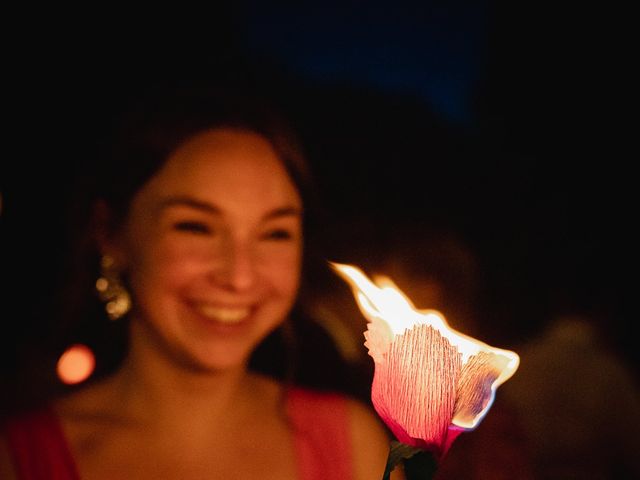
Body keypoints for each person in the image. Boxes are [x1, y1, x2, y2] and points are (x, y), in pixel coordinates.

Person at [0, 85, 396, 479]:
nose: (240, 277)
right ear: (110, 235)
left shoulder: (353, 444)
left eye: (275, 233)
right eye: (196, 228)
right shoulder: (19, 460)